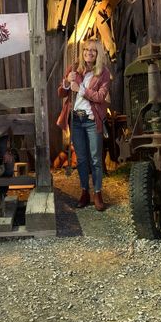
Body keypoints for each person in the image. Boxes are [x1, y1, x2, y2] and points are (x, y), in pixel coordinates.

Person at [57, 39, 111, 211]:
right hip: (76, 121)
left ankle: (98, 193)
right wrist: (67, 81)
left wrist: (80, 89)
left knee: (95, 159)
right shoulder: (74, 68)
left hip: (92, 120)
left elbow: (100, 97)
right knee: (81, 159)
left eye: (93, 50)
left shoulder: (103, 73)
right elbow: (61, 93)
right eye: (86, 49)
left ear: (98, 53)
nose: (89, 52)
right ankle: (84, 192)